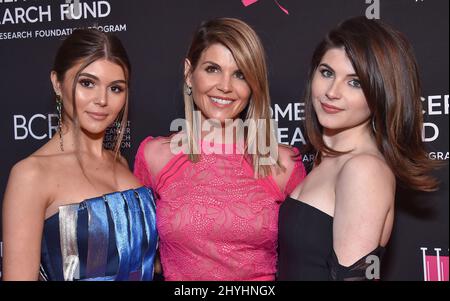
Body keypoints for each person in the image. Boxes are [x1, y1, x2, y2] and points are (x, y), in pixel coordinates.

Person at [134, 17, 306, 281]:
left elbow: (307, 261)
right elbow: (137, 254)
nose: (225, 86)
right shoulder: (154, 157)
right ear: (189, 73)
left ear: (253, 85)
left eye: (240, 74)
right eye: (212, 69)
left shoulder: (283, 163)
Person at [277, 16, 440, 281]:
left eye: (355, 82)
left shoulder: (364, 169)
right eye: (327, 72)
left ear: (380, 93)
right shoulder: (321, 160)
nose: (332, 91)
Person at [2, 29, 158, 281]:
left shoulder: (120, 162)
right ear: (57, 82)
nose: (102, 100)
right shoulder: (30, 175)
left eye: (116, 88)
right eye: (87, 83)